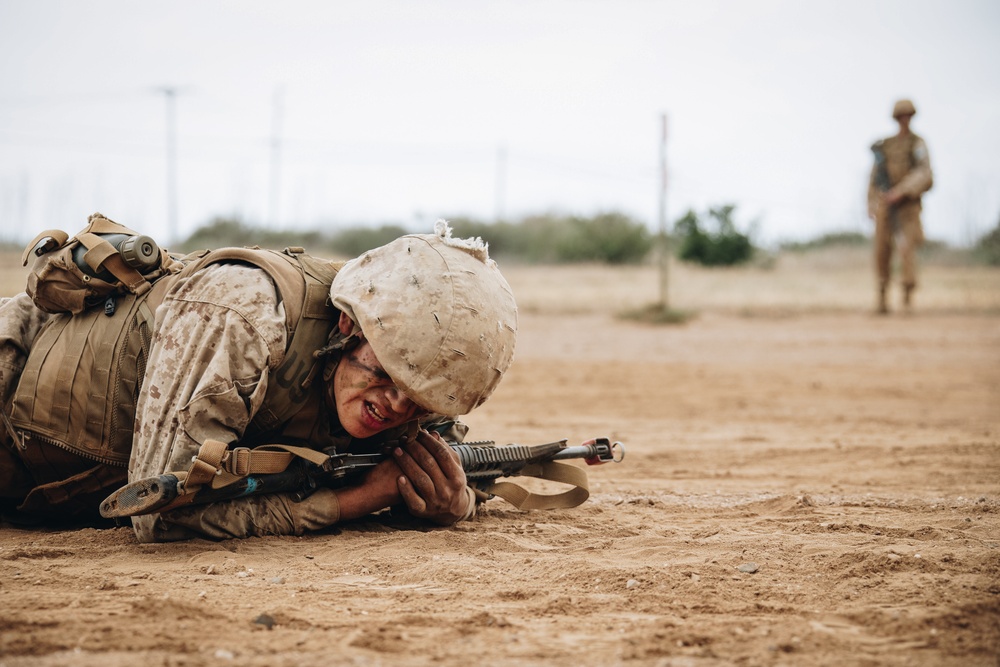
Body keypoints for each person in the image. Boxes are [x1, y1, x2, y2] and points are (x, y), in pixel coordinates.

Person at [0, 219, 518, 542]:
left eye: (421, 403)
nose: (396, 407)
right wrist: (357, 500)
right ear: (347, 325)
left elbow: (449, 462)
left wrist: (454, 502)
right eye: (384, 376)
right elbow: (156, 513)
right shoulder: (244, 314)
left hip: (58, 488)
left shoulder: (422, 354)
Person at [867, 98, 934, 314]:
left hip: (907, 207)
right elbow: (874, 177)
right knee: (881, 251)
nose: (904, 120)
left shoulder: (917, 143)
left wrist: (901, 191)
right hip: (885, 206)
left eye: (908, 116)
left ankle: (907, 300)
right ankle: (882, 299)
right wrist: (871, 203)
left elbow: (925, 174)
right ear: (896, 118)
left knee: (906, 251)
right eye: (901, 116)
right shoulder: (886, 146)